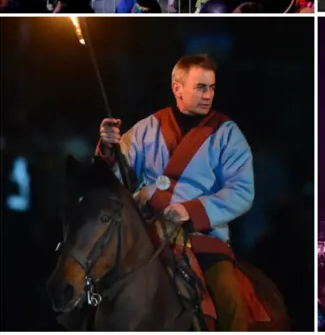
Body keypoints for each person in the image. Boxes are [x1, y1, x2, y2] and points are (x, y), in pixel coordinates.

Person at [97, 54, 254, 331]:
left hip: (203, 239)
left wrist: (189, 211)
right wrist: (109, 149)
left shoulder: (227, 134)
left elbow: (242, 191)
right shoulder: (147, 128)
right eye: (200, 87)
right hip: (144, 234)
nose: (208, 95)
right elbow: (116, 180)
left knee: (232, 304)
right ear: (177, 88)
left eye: (212, 88)